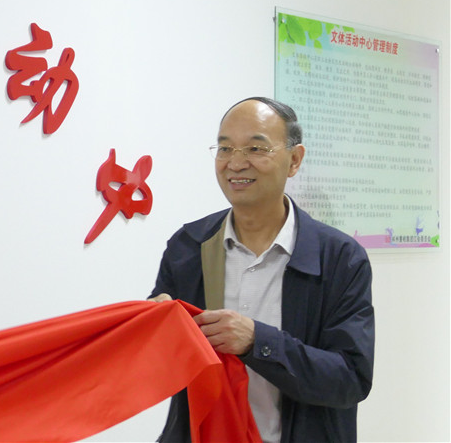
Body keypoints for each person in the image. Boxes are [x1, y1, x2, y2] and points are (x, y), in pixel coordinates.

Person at [148, 97, 374, 443]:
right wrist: (154, 330)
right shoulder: (189, 246)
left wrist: (258, 342)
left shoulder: (340, 258)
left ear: (294, 160)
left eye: (256, 148)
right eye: (225, 149)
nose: (236, 163)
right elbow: (163, 368)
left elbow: (350, 379)